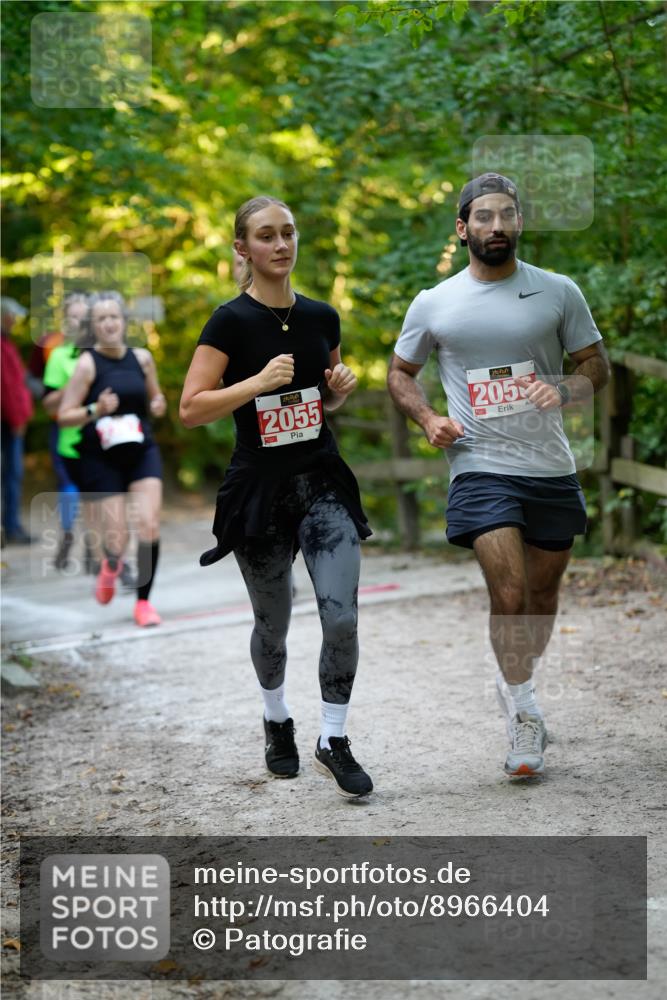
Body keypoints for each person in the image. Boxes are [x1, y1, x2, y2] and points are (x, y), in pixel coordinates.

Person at [388, 172, 610, 779]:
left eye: (506, 216)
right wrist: (429, 417)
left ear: (518, 224)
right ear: (463, 229)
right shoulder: (435, 303)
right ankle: (525, 712)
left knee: (540, 598)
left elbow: (597, 366)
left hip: (550, 465)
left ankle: (517, 688)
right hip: (479, 464)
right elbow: (399, 374)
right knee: (508, 593)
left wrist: (562, 389)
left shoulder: (557, 291)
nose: (496, 226)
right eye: (482, 217)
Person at [180, 195, 373, 798]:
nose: (281, 244)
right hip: (259, 491)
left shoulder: (322, 317)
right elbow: (190, 408)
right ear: (243, 248)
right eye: (266, 236)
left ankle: (333, 738)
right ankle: (277, 720)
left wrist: (340, 387)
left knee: (340, 616)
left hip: (322, 482)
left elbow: (325, 396)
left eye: (288, 232)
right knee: (274, 622)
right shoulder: (229, 322)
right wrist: (255, 383)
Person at [58, 291, 166, 627]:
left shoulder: (143, 358)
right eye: (100, 319)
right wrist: (95, 409)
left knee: (148, 523)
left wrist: (159, 403)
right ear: (93, 326)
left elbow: (155, 396)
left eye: (113, 317)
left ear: (124, 322)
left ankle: (144, 603)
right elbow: (64, 415)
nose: (108, 324)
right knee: (117, 536)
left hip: (140, 450)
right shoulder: (87, 363)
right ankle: (111, 563)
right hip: (101, 458)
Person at [40, 293, 90, 569]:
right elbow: (48, 403)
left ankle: (97, 547)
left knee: (100, 491)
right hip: (66, 434)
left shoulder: (103, 352)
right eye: (73, 316)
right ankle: (68, 536)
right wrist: (74, 383)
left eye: (84, 317)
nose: (79, 322)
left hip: (98, 436)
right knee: (70, 488)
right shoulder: (58, 355)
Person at [1, 297, 34, 544]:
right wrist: (17, 419)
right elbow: (7, 389)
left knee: (13, 475)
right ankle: (10, 528)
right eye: (12, 316)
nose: (15, 321)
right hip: (8, 424)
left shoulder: (6, 343)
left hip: (11, 422)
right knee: (11, 474)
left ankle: (11, 525)